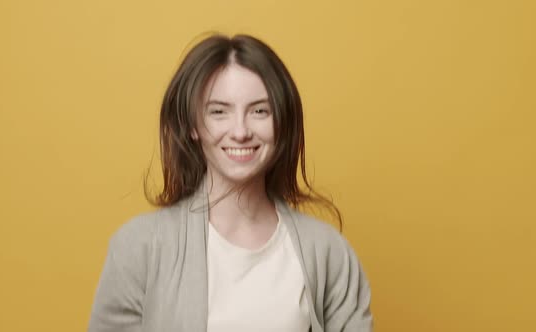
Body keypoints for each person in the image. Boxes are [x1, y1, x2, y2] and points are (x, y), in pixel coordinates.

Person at [88, 34, 373, 332]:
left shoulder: (328, 252)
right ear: (193, 126)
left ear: (283, 122)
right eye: (219, 112)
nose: (240, 131)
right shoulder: (139, 247)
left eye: (260, 111)